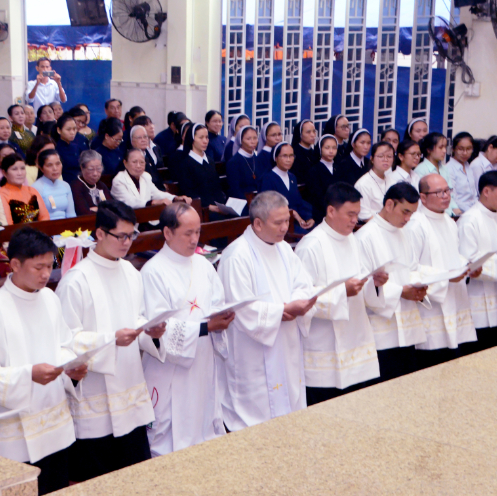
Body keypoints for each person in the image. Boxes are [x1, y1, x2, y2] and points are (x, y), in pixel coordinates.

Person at [0, 228, 85, 493]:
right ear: (15, 264)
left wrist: (71, 367)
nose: (46, 274)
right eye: (38, 267)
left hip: (54, 426)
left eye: (50, 266)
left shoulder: (50, 298)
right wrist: (28, 374)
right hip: (14, 437)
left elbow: (63, 344)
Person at [55, 201, 165, 481]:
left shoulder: (130, 272)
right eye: (121, 236)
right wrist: (110, 340)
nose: (127, 242)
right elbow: (65, 341)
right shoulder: (76, 280)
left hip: (129, 391)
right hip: (96, 399)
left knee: (137, 479)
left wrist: (150, 332)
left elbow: (136, 317)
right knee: (99, 482)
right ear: (100, 234)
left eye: (132, 235)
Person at [217, 191, 318, 429]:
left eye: (287, 220)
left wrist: (298, 304)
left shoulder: (284, 249)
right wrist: (282, 310)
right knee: (258, 421)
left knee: (289, 417)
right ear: (258, 224)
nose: (285, 228)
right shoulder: (236, 256)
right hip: (253, 351)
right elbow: (240, 309)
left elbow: (304, 285)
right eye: (278, 222)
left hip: (286, 343)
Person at [141, 203, 233, 455]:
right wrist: (206, 327)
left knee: (204, 427)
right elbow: (157, 328)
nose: (195, 240)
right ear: (167, 233)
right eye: (188, 233)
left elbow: (216, 301)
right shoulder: (153, 272)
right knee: (172, 440)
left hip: (203, 360)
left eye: (198, 232)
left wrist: (222, 316)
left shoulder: (203, 265)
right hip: (170, 369)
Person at [294, 183, 384, 405]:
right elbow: (302, 299)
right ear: (331, 211)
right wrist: (343, 292)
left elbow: (362, 280)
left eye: (357, 214)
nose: (355, 220)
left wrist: (375, 283)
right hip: (325, 345)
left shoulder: (353, 239)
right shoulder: (311, 246)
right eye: (350, 214)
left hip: (357, 336)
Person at [355, 183, 427, 382]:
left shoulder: (403, 233)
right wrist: (400, 292)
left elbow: (412, 268)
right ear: (389, 205)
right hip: (381, 332)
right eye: (405, 212)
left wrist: (419, 287)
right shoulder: (364, 237)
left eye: (412, 213)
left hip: (408, 325)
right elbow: (363, 284)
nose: (408, 219)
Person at [405, 174, 477, 369]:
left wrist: (466, 267)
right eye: (439, 192)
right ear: (423, 197)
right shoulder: (415, 225)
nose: (446, 196)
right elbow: (410, 268)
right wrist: (446, 276)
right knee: (434, 365)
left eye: (447, 190)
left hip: (455, 300)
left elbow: (453, 254)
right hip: (430, 308)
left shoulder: (449, 221)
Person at [457, 171, 497, 354]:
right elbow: (467, 262)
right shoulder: (469, 220)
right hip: (477, 298)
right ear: (486, 191)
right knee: (478, 350)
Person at [112, 148, 190, 210]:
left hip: (146, 216)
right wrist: (152, 202)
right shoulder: (119, 180)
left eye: (142, 162)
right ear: (125, 163)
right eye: (134, 162)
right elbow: (129, 202)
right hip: (128, 219)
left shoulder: (146, 176)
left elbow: (156, 193)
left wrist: (175, 198)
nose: (138, 166)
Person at [259, 143, 314, 231]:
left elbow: (299, 203)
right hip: (280, 225)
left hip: (296, 221)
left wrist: (309, 218)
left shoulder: (292, 177)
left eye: (291, 156)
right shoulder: (268, 179)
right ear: (276, 158)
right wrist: (292, 213)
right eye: (284, 156)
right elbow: (268, 207)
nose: (288, 160)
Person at [177, 123, 227, 215]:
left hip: (217, 207)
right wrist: (208, 206)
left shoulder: (210, 160)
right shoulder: (185, 163)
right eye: (201, 138)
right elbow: (189, 193)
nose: (205, 141)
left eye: (207, 137)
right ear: (192, 139)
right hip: (200, 210)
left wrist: (222, 205)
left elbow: (217, 188)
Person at [414, 132, 460, 216]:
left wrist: (456, 210)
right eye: (440, 147)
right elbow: (422, 199)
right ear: (429, 149)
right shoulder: (421, 170)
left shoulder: (444, 169)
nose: (444, 151)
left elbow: (450, 194)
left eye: (445, 147)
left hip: (448, 213)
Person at [0, 153, 49, 224]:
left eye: (22, 168)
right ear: (4, 173)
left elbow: (45, 217)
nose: (20, 173)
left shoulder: (32, 190)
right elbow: (8, 224)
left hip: (38, 230)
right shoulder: (1, 194)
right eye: (14, 169)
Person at [354, 141, 393, 221]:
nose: (385, 160)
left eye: (389, 156)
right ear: (372, 159)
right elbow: (364, 216)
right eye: (381, 156)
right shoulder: (363, 184)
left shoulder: (392, 180)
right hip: (373, 225)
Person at [32, 149, 76, 220]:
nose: (55, 168)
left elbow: (71, 214)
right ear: (41, 168)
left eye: (58, 164)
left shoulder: (66, 186)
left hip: (67, 225)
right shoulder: (35, 188)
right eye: (49, 165)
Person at [306, 134, 338, 223]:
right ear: (320, 149)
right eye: (327, 148)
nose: (331, 151)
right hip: (321, 213)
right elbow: (317, 197)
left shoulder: (340, 168)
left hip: (339, 210)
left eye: (334, 148)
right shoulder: (314, 170)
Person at [72, 150, 112, 215]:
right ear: (82, 168)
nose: (95, 173)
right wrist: (104, 209)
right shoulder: (76, 187)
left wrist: (96, 209)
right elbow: (84, 212)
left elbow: (112, 207)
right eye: (91, 169)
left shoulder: (101, 185)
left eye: (98, 169)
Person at [448, 132, 479, 212]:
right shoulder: (449, 169)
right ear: (453, 149)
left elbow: (474, 195)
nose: (465, 153)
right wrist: (472, 211)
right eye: (460, 149)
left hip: (474, 209)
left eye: (468, 149)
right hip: (459, 211)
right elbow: (453, 198)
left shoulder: (468, 166)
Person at [225, 125, 259, 200]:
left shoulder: (257, 159)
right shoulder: (233, 162)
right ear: (241, 140)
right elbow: (235, 190)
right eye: (248, 139)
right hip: (242, 200)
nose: (253, 142)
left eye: (255, 138)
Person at [129, 122, 164, 190]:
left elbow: (156, 178)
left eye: (145, 137)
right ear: (132, 141)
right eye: (139, 138)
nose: (143, 140)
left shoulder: (147, 155)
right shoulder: (129, 158)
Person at [54, 115, 88, 184]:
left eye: (74, 129)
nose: (72, 132)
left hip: (79, 183)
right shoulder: (56, 149)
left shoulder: (76, 147)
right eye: (68, 129)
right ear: (59, 130)